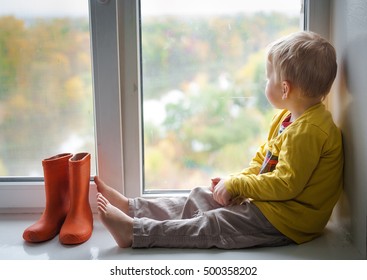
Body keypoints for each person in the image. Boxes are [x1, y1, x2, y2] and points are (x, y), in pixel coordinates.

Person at [95, 31, 343, 249]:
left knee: (214, 224)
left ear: (285, 89)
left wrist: (239, 186)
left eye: (269, 78)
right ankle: (133, 208)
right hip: (272, 205)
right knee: (202, 196)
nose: (265, 83)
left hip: (288, 221)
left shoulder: (309, 132)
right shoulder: (288, 118)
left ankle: (135, 232)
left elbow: (286, 185)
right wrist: (235, 185)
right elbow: (264, 160)